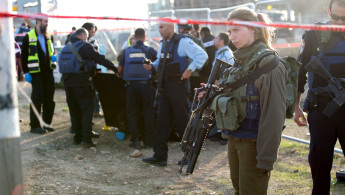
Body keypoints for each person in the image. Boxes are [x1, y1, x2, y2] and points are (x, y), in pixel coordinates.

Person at [198, 7, 287, 194]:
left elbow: (274, 115)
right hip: (234, 137)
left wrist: (265, 157)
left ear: (253, 28)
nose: (232, 37)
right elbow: (237, 96)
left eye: (237, 30)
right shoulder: (241, 61)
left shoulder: (268, 63)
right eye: (230, 32)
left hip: (253, 143)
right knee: (239, 190)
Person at [294, 0, 345, 194]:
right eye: (336, 17)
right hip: (321, 108)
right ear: (328, 11)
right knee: (319, 162)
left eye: (344, 18)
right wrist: (297, 106)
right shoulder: (314, 34)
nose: (340, 22)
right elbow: (300, 72)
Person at [142, 20, 208, 166]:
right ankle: (159, 156)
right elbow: (160, 61)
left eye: (161, 27)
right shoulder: (163, 43)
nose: (159, 30)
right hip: (166, 85)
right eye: (158, 27)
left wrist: (189, 70)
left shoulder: (183, 41)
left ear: (171, 27)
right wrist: (151, 66)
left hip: (178, 85)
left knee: (182, 119)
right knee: (162, 120)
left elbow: (202, 56)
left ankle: (189, 156)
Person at [58, 28, 118, 148]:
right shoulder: (84, 46)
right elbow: (99, 58)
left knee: (74, 110)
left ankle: (77, 137)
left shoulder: (66, 47)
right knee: (87, 109)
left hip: (67, 82)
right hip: (81, 81)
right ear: (82, 35)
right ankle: (86, 139)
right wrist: (115, 69)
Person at [118, 28, 157, 149]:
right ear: (145, 37)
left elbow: (119, 69)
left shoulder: (127, 51)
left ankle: (135, 140)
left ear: (134, 38)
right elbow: (159, 65)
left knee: (132, 113)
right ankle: (149, 141)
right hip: (147, 86)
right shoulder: (150, 50)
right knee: (148, 113)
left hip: (131, 87)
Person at [21, 16, 56, 134]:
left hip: (48, 72)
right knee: (37, 98)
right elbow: (23, 56)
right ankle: (35, 126)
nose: (47, 24)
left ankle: (47, 123)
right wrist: (25, 72)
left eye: (47, 22)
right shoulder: (28, 36)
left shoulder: (50, 36)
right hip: (36, 73)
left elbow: (52, 51)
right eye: (45, 21)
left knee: (49, 99)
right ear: (38, 22)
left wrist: (53, 57)